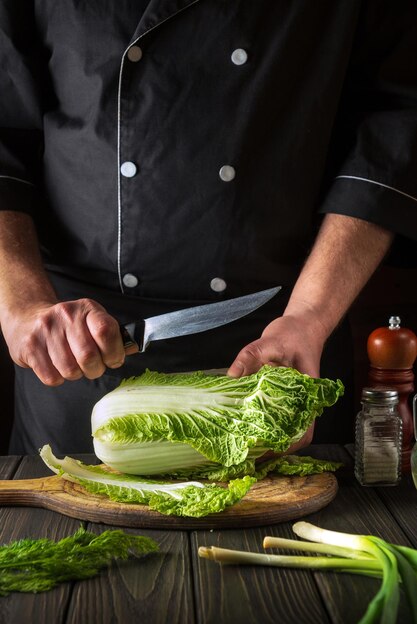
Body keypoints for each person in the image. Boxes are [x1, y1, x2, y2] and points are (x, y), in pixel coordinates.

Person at [0, 1, 416, 455]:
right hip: (75, 351)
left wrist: (308, 318)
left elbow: (395, 122)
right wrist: (23, 305)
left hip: (282, 346)